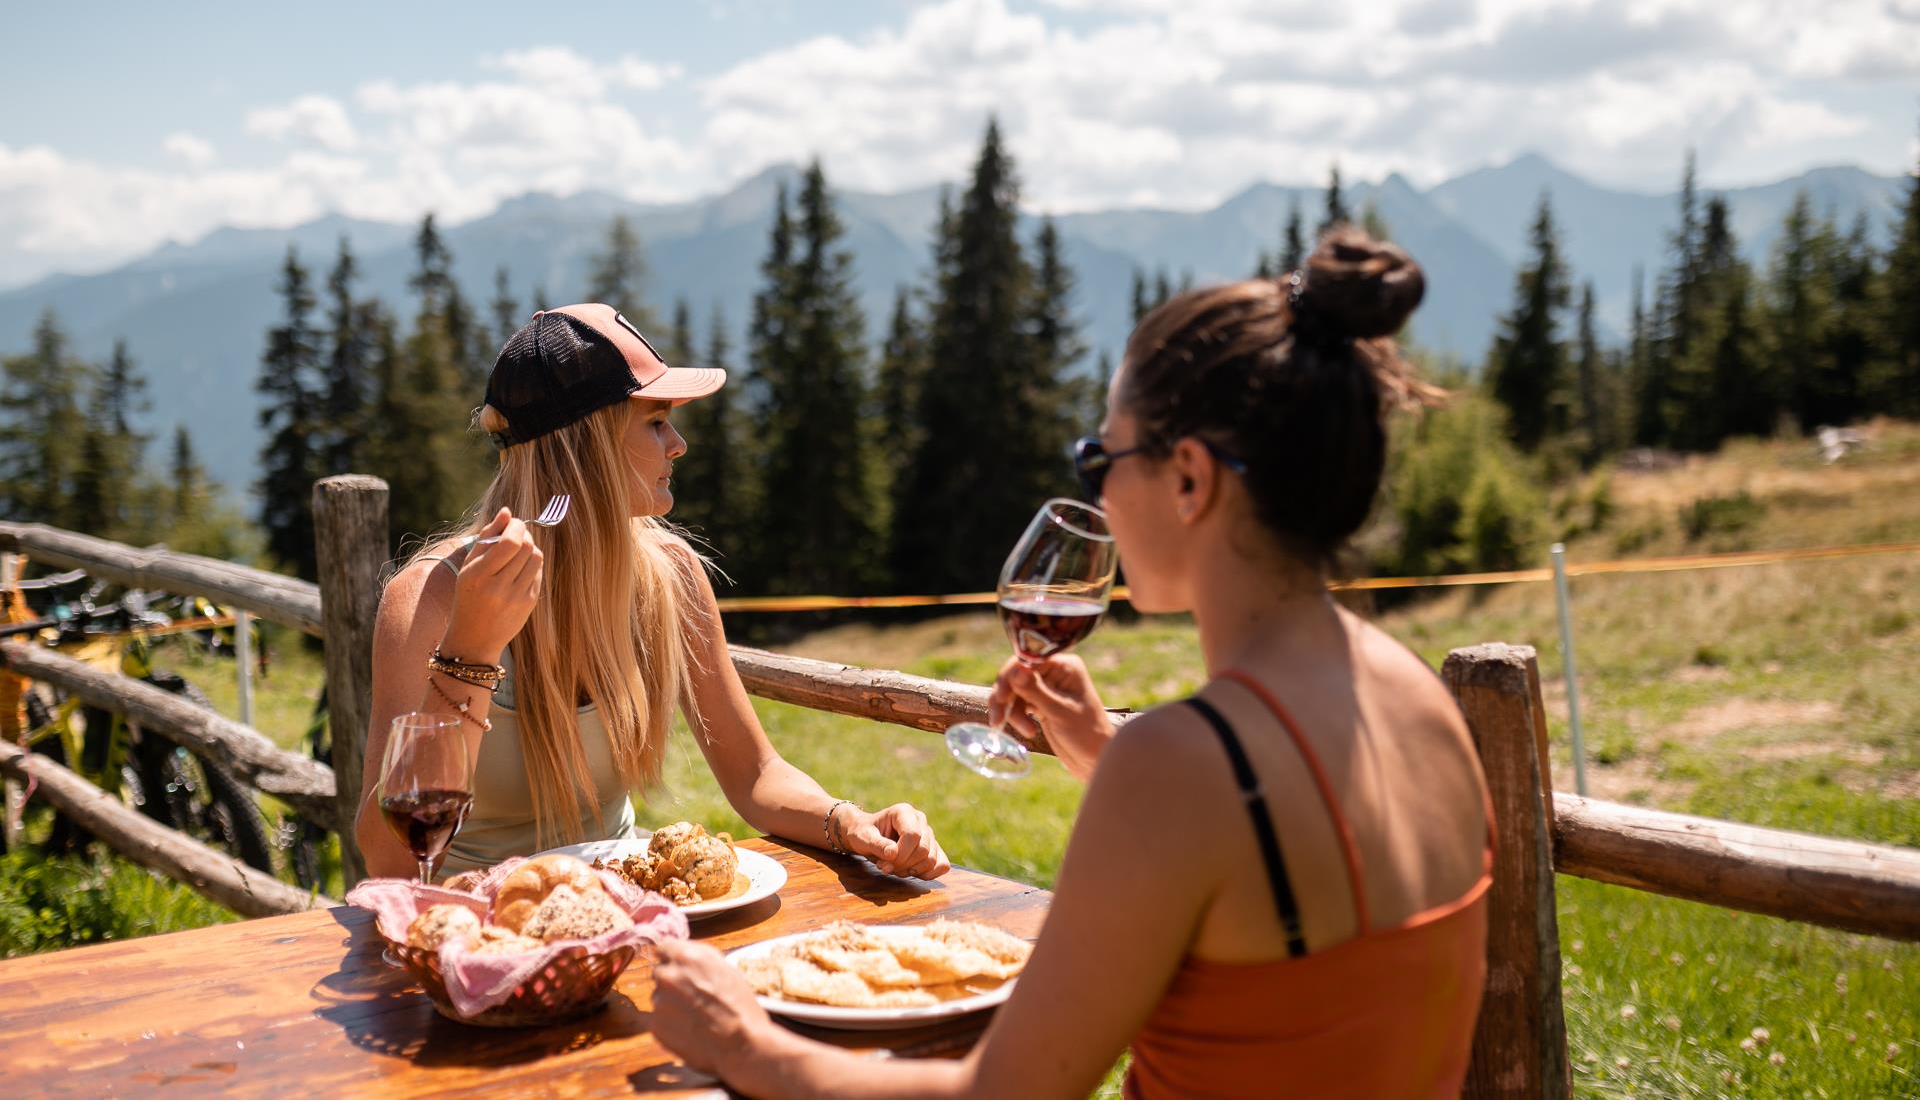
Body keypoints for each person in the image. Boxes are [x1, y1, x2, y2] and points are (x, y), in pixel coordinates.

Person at [651, 229, 1494, 1098]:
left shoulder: (1189, 761)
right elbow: (1301, 941)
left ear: (1191, 480)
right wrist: (1103, 751)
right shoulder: (1420, 702)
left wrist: (744, 1044)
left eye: (1101, 458)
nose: (1095, 495)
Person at [354, 303, 949, 884]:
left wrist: (849, 823)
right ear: (586, 443)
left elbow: (756, 773)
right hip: (468, 927)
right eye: (656, 421)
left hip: (616, 910)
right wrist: (472, 650)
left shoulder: (670, 574)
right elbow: (389, 859)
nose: (679, 444)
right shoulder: (431, 597)